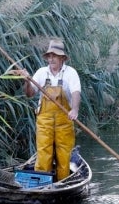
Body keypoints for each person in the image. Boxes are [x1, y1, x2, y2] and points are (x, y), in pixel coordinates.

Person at [19, 39, 81, 180]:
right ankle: (41, 183)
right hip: (44, 121)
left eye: (55, 56)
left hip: (64, 121)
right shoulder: (41, 73)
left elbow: (76, 92)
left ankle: (62, 182)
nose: (51, 59)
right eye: (50, 56)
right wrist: (27, 80)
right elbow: (29, 94)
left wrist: (75, 110)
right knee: (43, 154)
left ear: (62, 58)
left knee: (64, 155)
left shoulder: (70, 73)